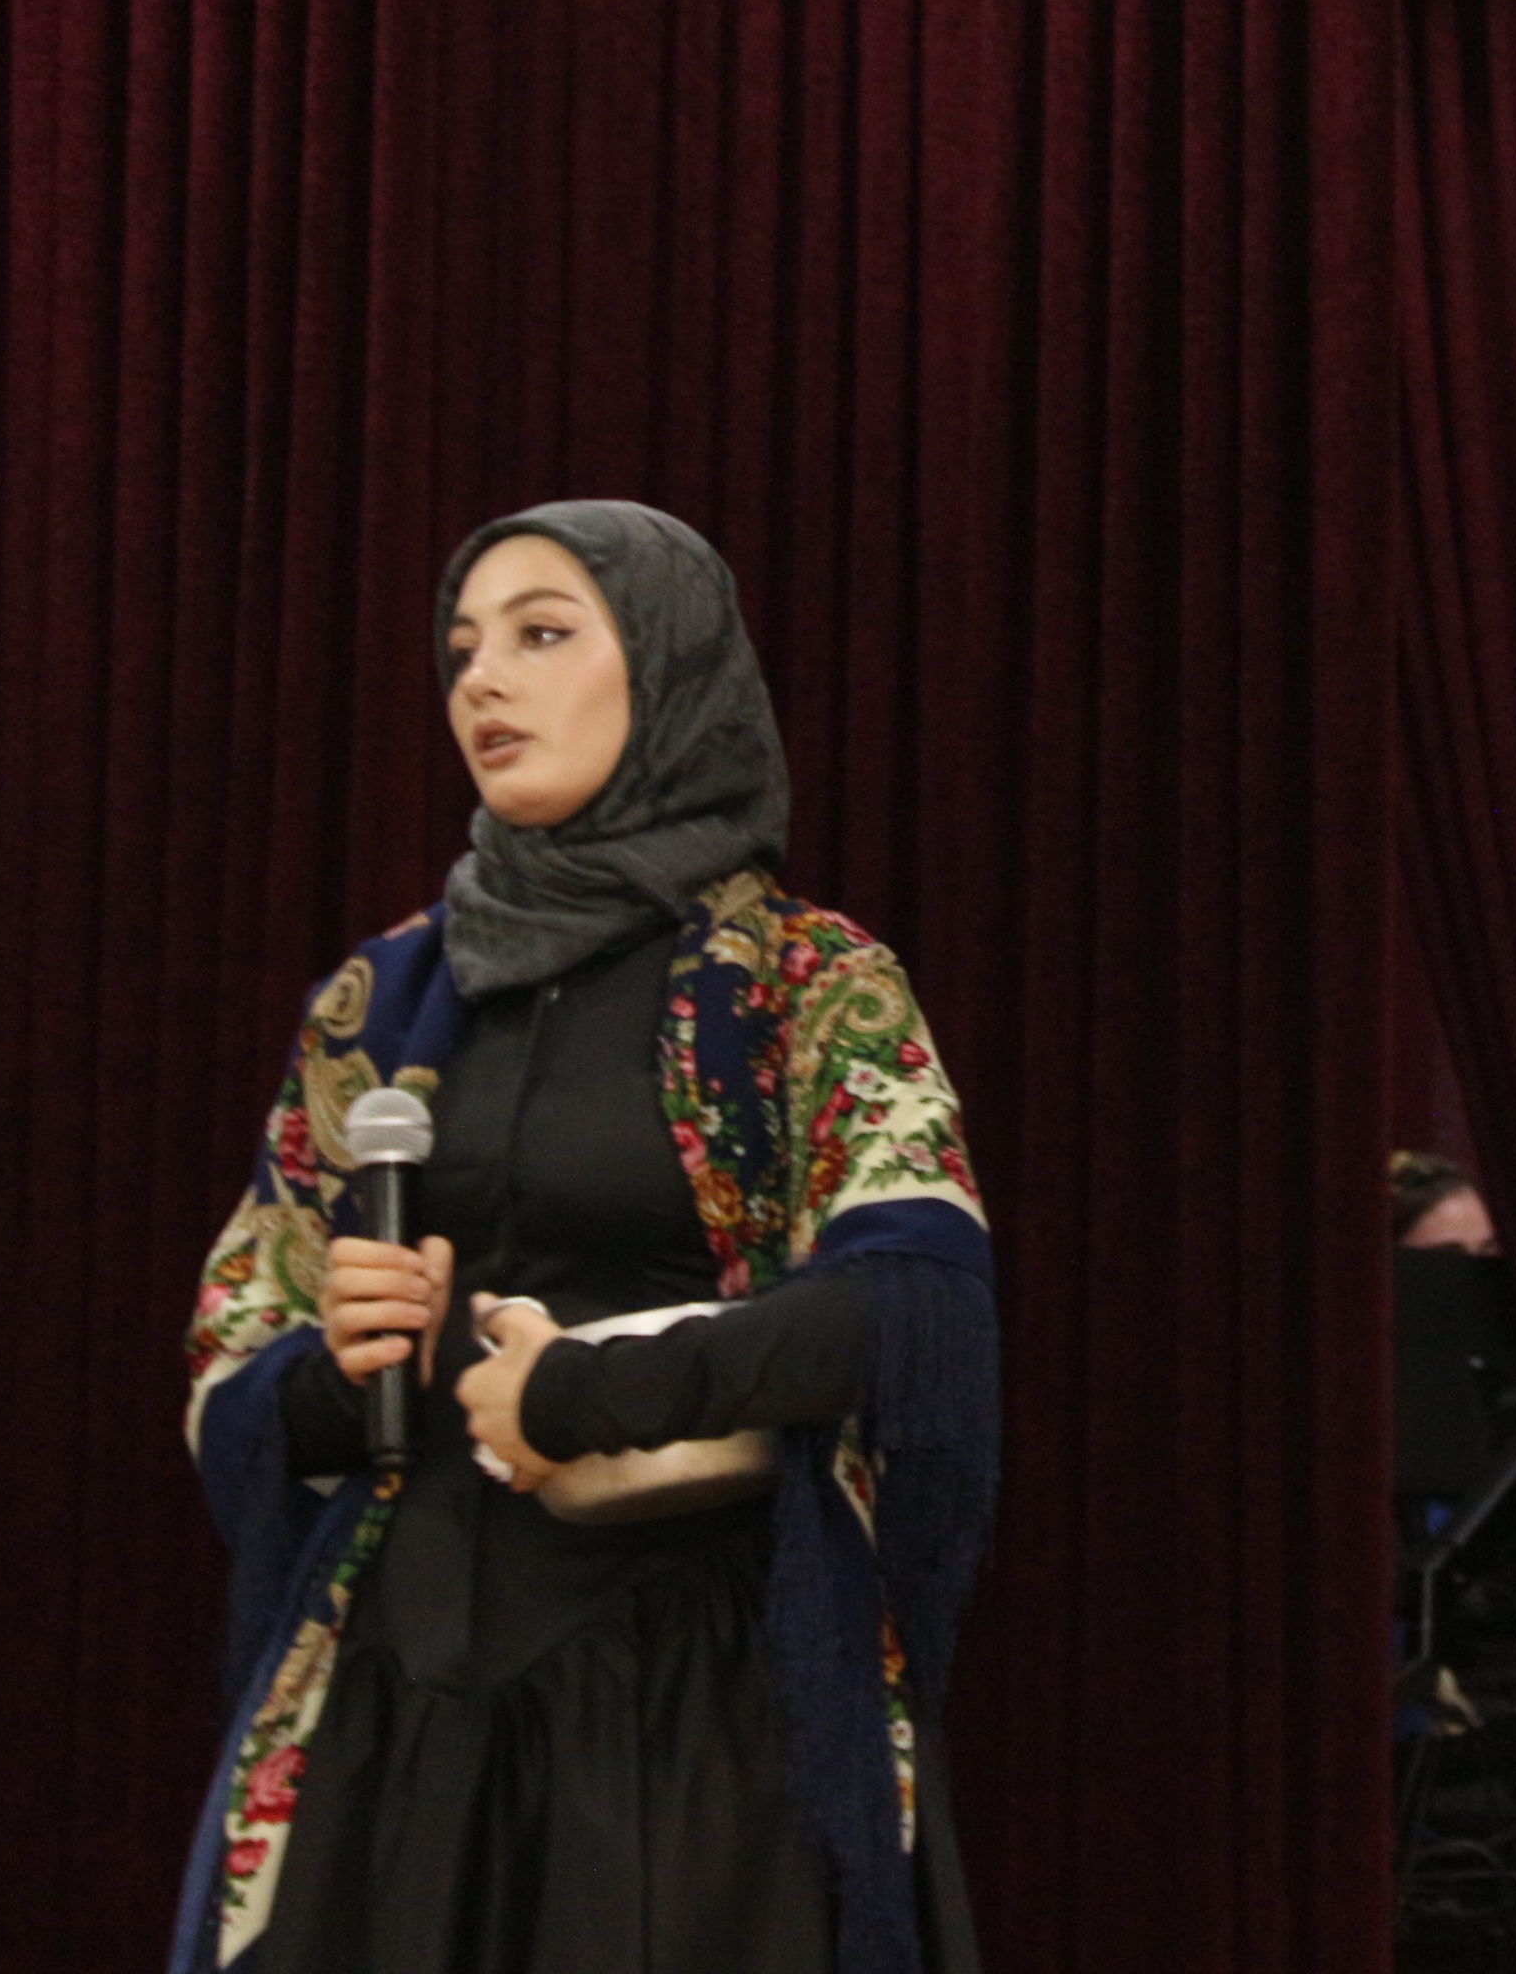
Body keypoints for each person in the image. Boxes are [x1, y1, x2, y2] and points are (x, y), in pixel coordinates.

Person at [172, 502, 999, 1974]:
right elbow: (234, 1352)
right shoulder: (378, 1001)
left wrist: (588, 1392)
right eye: (461, 651)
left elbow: (912, 1304)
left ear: (671, 666)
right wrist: (342, 1370)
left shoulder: (803, 978)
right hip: (398, 1695)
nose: (483, 681)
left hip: (695, 1697)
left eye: (543, 634)